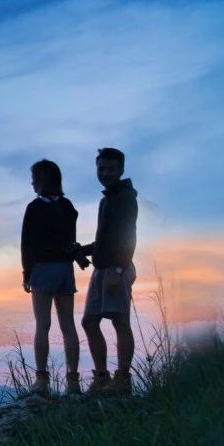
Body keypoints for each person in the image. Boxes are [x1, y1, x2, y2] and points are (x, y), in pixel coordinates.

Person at [77, 147, 139, 395]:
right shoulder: (108, 199)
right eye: (101, 168)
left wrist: (118, 267)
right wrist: (82, 249)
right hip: (102, 268)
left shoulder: (125, 197)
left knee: (120, 320)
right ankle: (102, 377)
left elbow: (128, 235)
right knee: (90, 321)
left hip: (115, 268)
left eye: (111, 169)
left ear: (121, 170)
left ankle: (122, 379)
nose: (105, 173)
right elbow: (106, 241)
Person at [21, 159, 83, 396]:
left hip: (43, 270)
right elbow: (70, 242)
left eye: (34, 179)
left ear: (42, 180)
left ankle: (42, 380)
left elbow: (27, 244)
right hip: (65, 271)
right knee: (68, 326)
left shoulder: (34, 208)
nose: (32, 183)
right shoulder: (68, 207)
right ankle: (73, 381)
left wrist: (27, 274)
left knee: (42, 325)